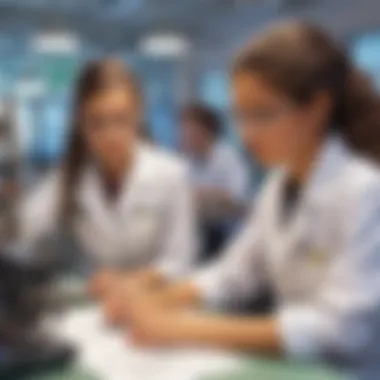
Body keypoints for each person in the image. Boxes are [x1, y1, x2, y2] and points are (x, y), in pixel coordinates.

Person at [107, 22, 380, 375]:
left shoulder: (365, 191)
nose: (246, 134)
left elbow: (342, 330)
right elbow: (233, 275)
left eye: (261, 114)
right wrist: (154, 300)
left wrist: (182, 327)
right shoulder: (277, 185)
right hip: (296, 367)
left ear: (317, 108)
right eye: (240, 115)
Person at [17, 59, 197, 298]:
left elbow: (180, 260)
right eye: (96, 122)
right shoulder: (71, 177)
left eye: (121, 119)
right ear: (80, 122)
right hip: (94, 307)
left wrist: (128, 283)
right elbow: (25, 225)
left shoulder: (172, 173)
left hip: (156, 303)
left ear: (139, 113)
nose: (110, 135)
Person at [179, 104, 250, 260]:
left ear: (206, 131)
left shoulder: (228, 157)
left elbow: (235, 196)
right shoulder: (186, 161)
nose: (185, 135)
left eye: (190, 130)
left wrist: (199, 193)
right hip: (200, 230)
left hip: (228, 233)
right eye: (184, 130)